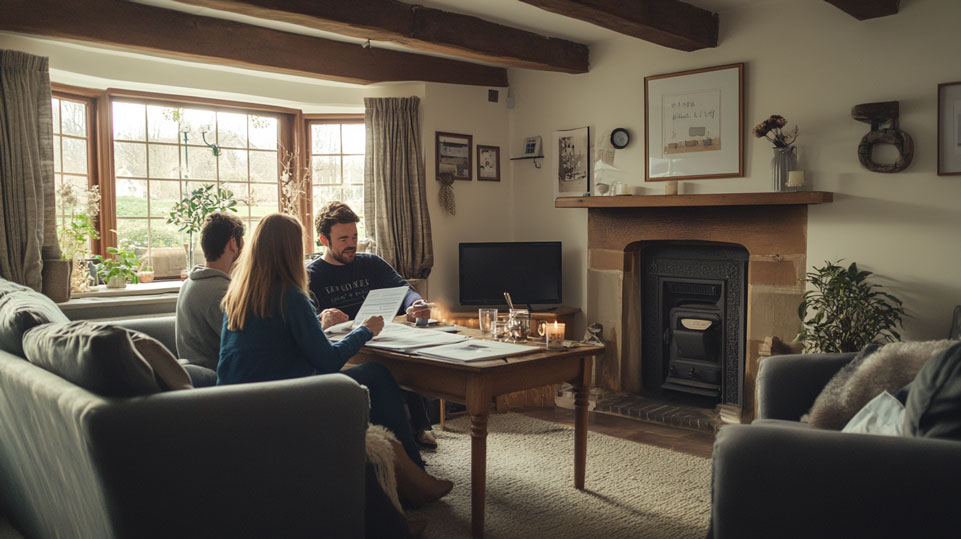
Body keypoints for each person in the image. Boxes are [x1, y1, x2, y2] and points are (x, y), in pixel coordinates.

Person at [217, 213, 451, 536]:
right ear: (289, 251)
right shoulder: (290, 295)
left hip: (236, 407)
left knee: (371, 375)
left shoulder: (238, 297)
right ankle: (415, 477)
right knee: (378, 375)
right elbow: (327, 362)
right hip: (285, 403)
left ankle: (407, 477)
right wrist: (365, 330)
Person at [307, 202, 438, 450]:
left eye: (354, 236)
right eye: (343, 238)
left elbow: (404, 291)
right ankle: (402, 436)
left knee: (408, 356)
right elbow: (306, 325)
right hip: (345, 349)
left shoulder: (371, 263)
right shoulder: (311, 276)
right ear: (324, 240)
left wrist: (415, 304)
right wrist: (321, 319)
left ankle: (422, 426)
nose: (351, 244)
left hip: (382, 338)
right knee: (383, 368)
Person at [175, 211, 244, 372]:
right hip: (218, 379)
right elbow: (245, 346)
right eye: (243, 242)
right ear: (233, 243)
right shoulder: (222, 292)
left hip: (193, 374)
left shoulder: (189, 283)